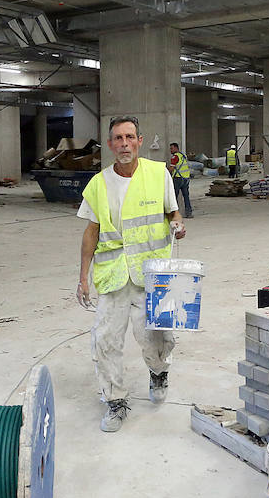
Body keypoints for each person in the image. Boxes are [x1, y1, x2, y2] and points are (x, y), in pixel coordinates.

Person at [77, 116, 186, 432]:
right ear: (110, 144)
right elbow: (91, 231)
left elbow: (172, 211)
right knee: (105, 340)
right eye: (117, 138)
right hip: (113, 277)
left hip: (152, 276)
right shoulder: (99, 184)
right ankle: (115, 401)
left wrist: (178, 224)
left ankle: (158, 371)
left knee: (155, 338)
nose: (124, 144)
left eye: (129, 137)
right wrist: (83, 277)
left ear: (139, 141)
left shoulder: (158, 173)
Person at [169, 142, 193, 218]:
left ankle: (174, 214)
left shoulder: (175, 157)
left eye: (172, 148)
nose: (170, 150)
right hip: (186, 179)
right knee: (186, 196)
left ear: (176, 148)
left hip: (178, 179)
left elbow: (171, 168)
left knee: (174, 197)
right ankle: (189, 212)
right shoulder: (183, 156)